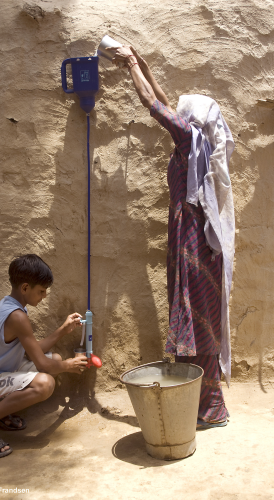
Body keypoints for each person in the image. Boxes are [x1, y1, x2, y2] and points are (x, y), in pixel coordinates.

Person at [109, 45, 235, 429]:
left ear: (193, 120)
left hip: (193, 245)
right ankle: (205, 405)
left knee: (197, 324)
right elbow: (167, 105)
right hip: (202, 247)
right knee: (203, 323)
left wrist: (130, 64)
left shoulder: (188, 141)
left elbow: (153, 104)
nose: (180, 115)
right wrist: (145, 66)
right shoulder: (200, 143)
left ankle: (210, 410)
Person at [0, 254, 88, 458]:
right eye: (41, 291)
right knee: (45, 383)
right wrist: (68, 365)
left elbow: (33, 350)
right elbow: (42, 365)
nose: (44, 296)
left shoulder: (10, 305)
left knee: (54, 360)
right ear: (25, 288)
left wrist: (63, 330)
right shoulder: (17, 316)